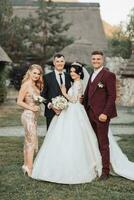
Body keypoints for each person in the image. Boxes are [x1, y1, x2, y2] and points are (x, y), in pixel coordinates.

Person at [31, 62, 102, 184]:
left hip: (74, 111)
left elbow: (75, 100)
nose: (72, 73)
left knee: (73, 136)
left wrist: (64, 93)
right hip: (69, 110)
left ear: (79, 73)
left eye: (74, 71)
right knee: (61, 135)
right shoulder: (73, 82)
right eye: (71, 71)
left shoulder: (78, 83)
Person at [84, 51, 117, 180]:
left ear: (102, 60)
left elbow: (112, 96)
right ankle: (96, 165)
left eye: (98, 59)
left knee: (103, 143)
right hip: (90, 113)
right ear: (91, 60)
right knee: (93, 141)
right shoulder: (92, 74)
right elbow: (88, 94)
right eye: (94, 59)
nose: (96, 61)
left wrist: (105, 113)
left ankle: (105, 171)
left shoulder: (108, 75)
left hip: (102, 115)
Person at [17, 64, 43, 176]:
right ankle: (30, 168)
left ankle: (26, 165)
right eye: (34, 73)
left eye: (38, 73)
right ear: (30, 72)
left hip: (34, 116)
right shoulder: (26, 84)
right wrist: (32, 108)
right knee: (32, 141)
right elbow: (19, 101)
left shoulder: (36, 85)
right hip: (28, 115)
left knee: (29, 141)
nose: (36, 75)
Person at [41, 53, 71, 129]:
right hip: (51, 113)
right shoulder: (46, 77)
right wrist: (51, 106)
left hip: (66, 112)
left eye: (61, 61)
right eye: (57, 61)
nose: (59, 63)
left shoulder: (69, 76)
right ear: (54, 63)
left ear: (64, 62)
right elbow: (42, 96)